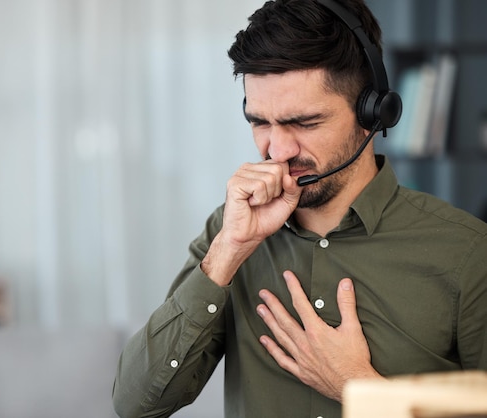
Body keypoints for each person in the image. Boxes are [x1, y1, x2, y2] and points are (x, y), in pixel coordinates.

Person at [112, 0, 487, 417]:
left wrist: (359, 388)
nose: (278, 150)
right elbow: (135, 405)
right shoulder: (231, 231)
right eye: (260, 122)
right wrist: (228, 251)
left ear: (373, 113)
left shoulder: (468, 253)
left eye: (305, 123)